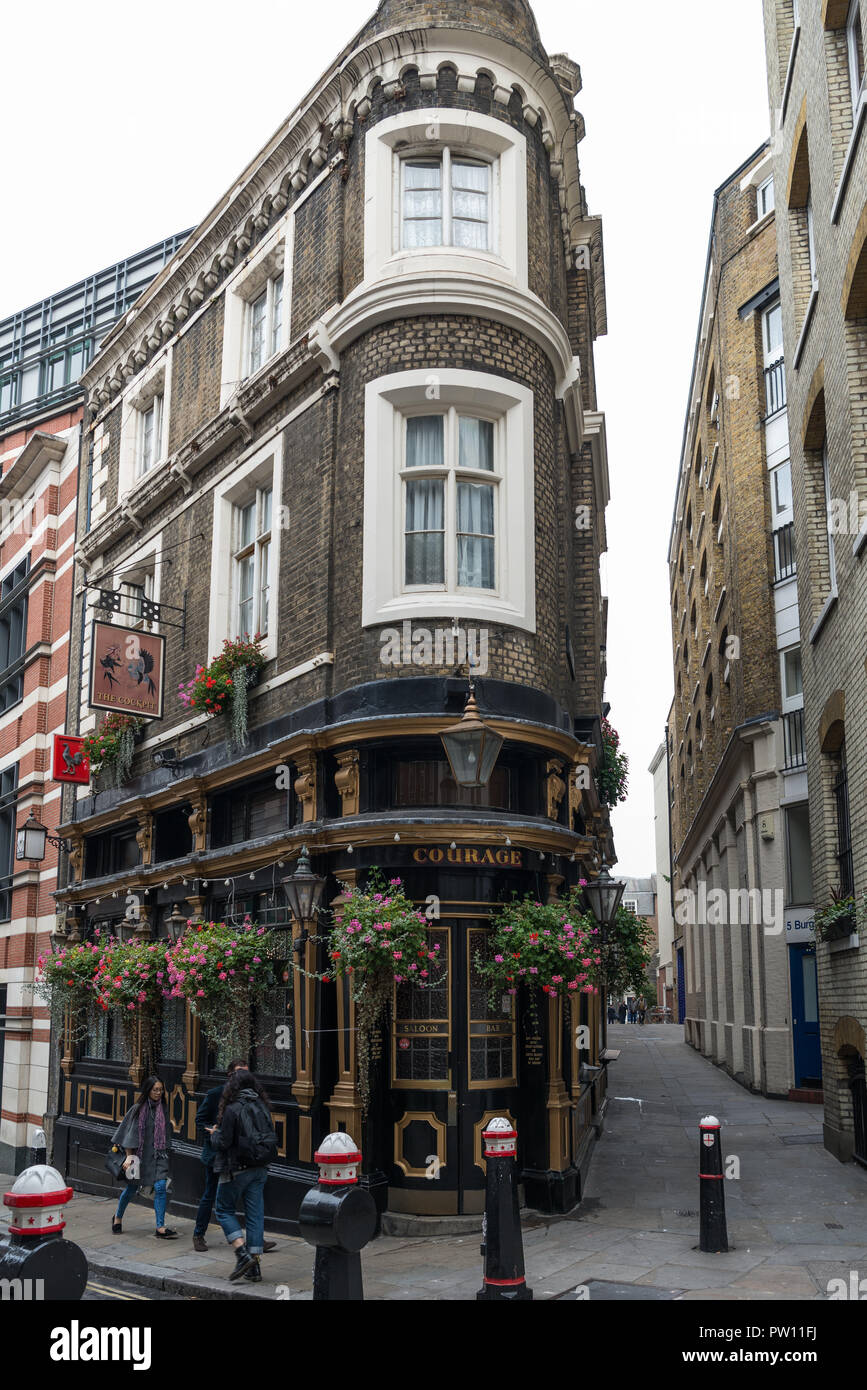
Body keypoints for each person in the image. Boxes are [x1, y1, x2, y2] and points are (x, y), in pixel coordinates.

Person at [212, 1068, 279, 1282]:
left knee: (223, 1209)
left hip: (236, 1169)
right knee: (255, 1215)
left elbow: (224, 1142)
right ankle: (254, 1268)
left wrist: (214, 1135)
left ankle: (242, 1254)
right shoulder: (262, 1106)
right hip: (260, 1168)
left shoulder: (232, 1109)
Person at [110, 1075, 177, 1239]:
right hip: (137, 1157)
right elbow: (130, 1133)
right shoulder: (138, 1109)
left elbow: (166, 1132)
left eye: (161, 1090)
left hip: (158, 1155)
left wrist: (166, 1149)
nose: (159, 1093)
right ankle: (118, 1217)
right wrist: (129, 1157)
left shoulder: (163, 1108)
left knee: (160, 1187)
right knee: (131, 1189)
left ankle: (160, 1227)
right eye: (155, 1090)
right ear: (148, 1090)